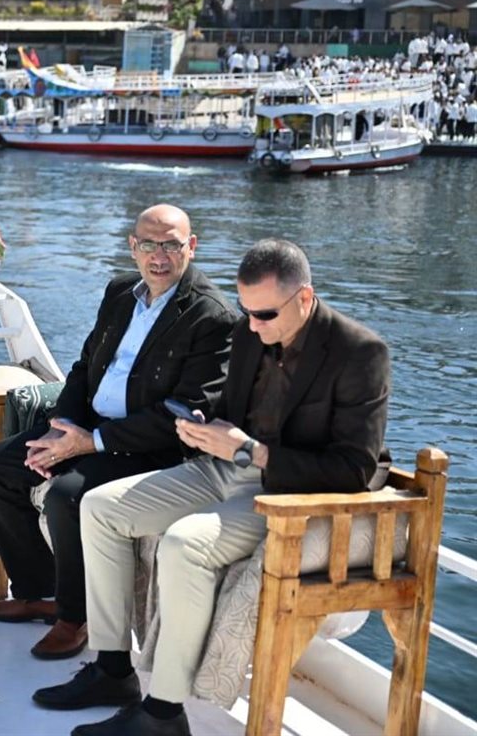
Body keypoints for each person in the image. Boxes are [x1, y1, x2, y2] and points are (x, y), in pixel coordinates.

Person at [37, 240, 390, 736]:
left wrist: (253, 452)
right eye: (247, 312)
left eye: (265, 314)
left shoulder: (360, 352)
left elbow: (353, 469)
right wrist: (200, 424)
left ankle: (163, 715)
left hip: (283, 491)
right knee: (98, 508)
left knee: (185, 544)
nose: (253, 325)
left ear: (305, 298)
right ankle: (113, 671)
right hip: (222, 465)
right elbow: (228, 409)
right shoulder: (248, 332)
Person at [0, 205, 235, 661]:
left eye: (171, 245)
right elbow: (84, 368)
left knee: (68, 496)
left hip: (151, 448)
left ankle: (75, 618)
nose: (159, 256)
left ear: (191, 247)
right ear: (133, 247)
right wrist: (64, 427)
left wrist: (89, 443)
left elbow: (183, 415)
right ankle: (42, 592)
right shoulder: (120, 292)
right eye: (149, 244)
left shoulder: (212, 317)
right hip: (88, 427)